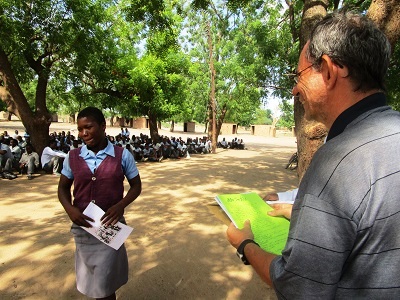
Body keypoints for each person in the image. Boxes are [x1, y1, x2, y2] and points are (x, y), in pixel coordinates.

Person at [226, 11, 400, 298]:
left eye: (299, 75)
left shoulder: (337, 161)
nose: (295, 89)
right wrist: (299, 210)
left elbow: (297, 287)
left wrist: (245, 245)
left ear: (330, 71)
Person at [58, 107, 142, 300]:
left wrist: (121, 205)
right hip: (84, 227)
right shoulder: (73, 157)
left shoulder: (122, 155)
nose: (84, 133)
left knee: (105, 282)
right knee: (93, 280)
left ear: (103, 126)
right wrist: (70, 209)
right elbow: (62, 189)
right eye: (80, 129)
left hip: (110, 226)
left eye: (88, 127)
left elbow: (136, 186)